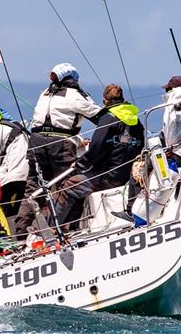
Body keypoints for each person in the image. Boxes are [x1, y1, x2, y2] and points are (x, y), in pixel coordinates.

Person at [13, 63, 100, 242]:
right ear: (73, 79)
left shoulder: (44, 93)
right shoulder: (76, 95)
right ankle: (67, 228)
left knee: (34, 187)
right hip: (59, 143)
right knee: (70, 185)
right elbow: (100, 116)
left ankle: (21, 233)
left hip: (36, 142)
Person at [54, 84, 145, 231]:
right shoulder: (136, 121)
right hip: (128, 175)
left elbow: (96, 147)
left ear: (105, 101)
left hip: (108, 177)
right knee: (80, 182)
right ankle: (71, 227)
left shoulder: (108, 117)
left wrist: (80, 163)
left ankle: (53, 229)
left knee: (69, 185)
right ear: (122, 99)